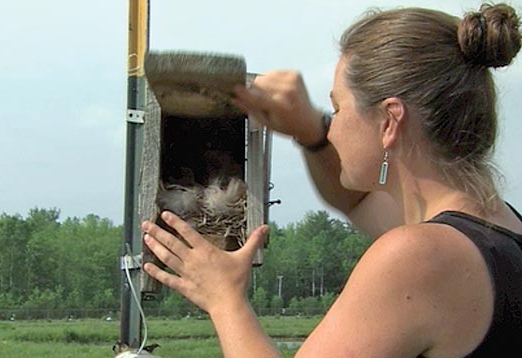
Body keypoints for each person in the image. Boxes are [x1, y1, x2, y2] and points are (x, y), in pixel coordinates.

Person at [142, 3, 522, 357]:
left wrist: (224, 300)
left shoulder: (419, 256)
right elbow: (357, 203)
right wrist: (313, 134)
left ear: (390, 121)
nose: (334, 127)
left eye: (337, 109)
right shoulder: (502, 231)